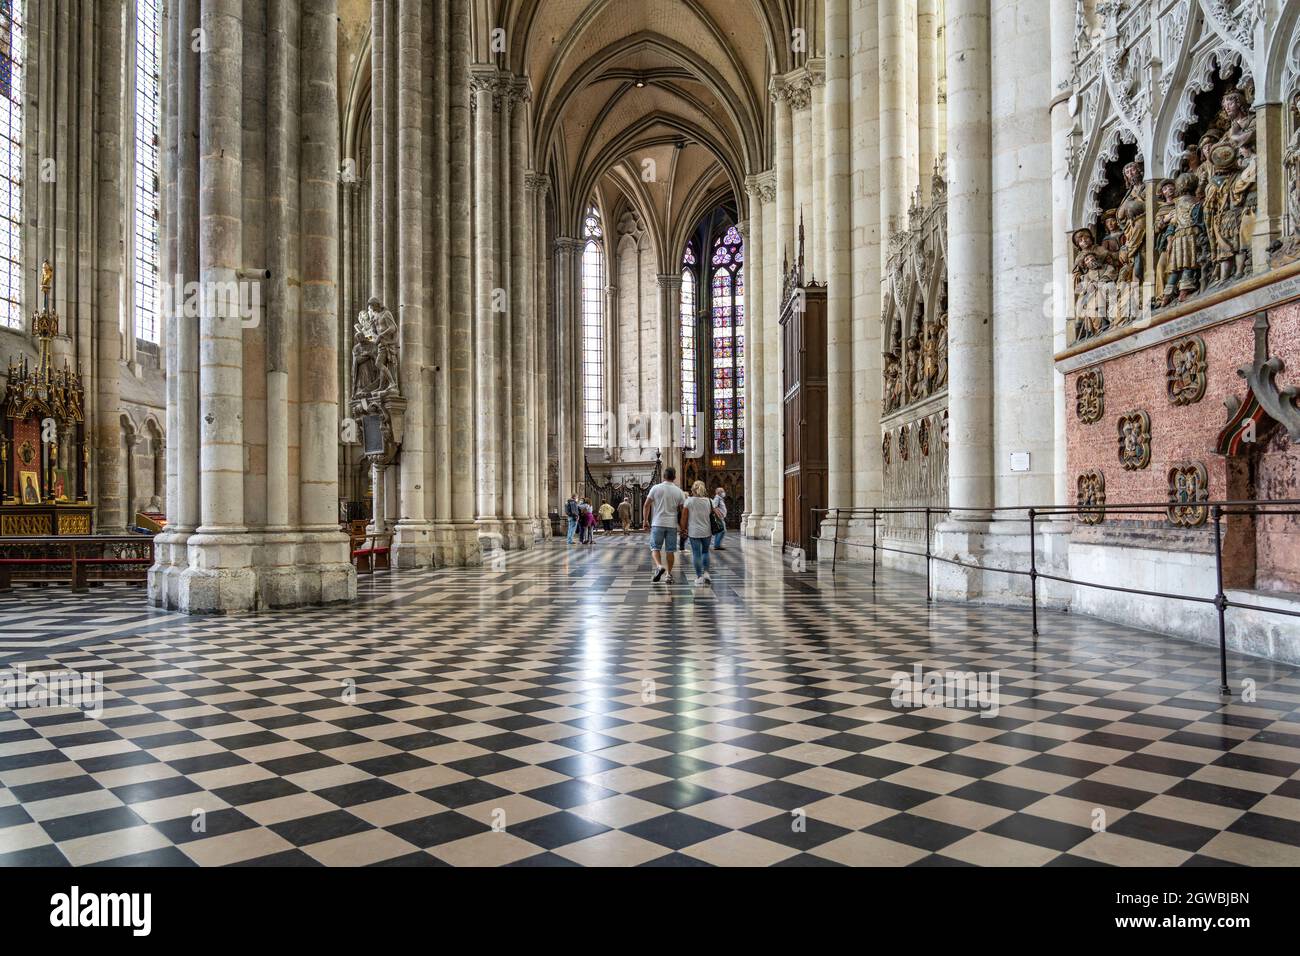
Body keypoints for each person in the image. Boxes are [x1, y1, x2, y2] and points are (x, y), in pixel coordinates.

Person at [643, 466, 686, 583]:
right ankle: (668, 574)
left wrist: (645, 521)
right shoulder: (679, 491)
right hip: (672, 525)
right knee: (670, 550)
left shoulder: (655, 488)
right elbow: (683, 511)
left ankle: (659, 566)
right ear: (675, 477)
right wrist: (683, 526)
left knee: (655, 548)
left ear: (664, 476)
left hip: (657, 523)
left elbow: (646, 505)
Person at [681, 481, 723, 587]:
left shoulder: (689, 501)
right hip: (707, 531)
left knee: (696, 554)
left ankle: (699, 577)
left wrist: (683, 529)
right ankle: (707, 573)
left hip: (694, 532)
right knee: (705, 552)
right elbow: (718, 514)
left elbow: (684, 518)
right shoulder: (709, 501)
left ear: (693, 490)